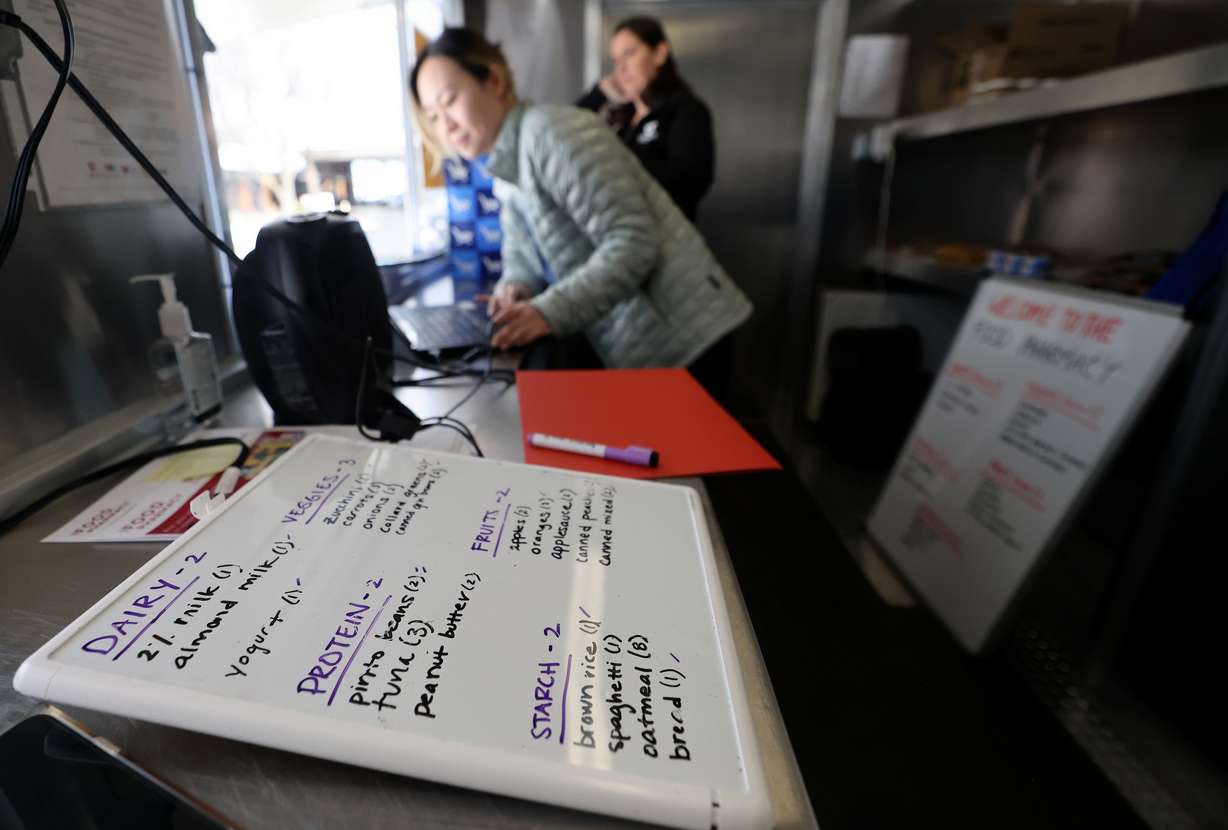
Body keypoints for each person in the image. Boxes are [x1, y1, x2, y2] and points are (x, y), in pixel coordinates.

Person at [409, 28, 749, 392]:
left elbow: (633, 242)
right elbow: (522, 255)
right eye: (432, 115)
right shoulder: (505, 167)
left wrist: (548, 312)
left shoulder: (554, 132)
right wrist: (515, 288)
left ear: (493, 81)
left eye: (449, 101)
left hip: (687, 336)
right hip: (641, 346)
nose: (445, 124)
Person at [576, 17, 715, 222]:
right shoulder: (624, 117)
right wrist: (598, 94)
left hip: (665, 241)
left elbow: (691, 180)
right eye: (616, 60)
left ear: (659, 53)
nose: (621, 68)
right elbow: (563, 130)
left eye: (629, 54)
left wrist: (616, 164)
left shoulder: (686, 111)